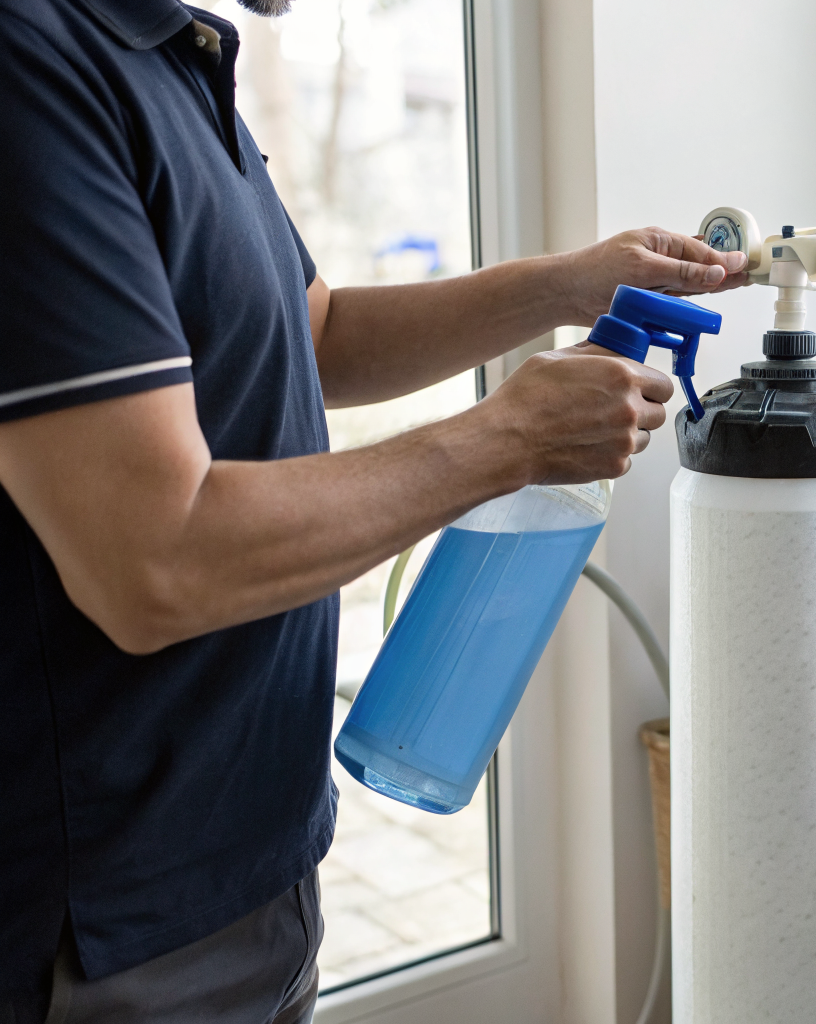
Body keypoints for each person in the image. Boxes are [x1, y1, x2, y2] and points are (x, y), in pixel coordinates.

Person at [0, 1, 748, 1020]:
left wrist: (567, 285)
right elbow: (155, 559)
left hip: (254, 853)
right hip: (105, 923)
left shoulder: (178, 57)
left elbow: (319, 332)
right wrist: (506, 437)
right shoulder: (29, 69)